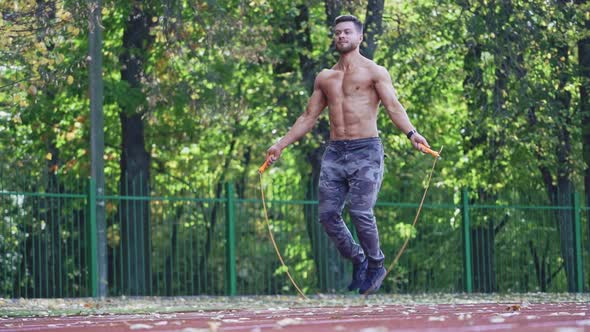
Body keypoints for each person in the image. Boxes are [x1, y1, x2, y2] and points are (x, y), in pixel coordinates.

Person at [265, 15, 430, 294]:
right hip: (335, 152)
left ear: (359, 37)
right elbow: (308, 116)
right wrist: (281, 144)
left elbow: (393, 106)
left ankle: (377, 264)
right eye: (338, 32)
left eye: (347, 32)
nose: (341, 36)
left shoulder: (374, 72)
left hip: (366, 149)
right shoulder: (325, 77)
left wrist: (412, 134)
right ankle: (359, 259)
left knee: (360, 211)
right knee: (328, 215)